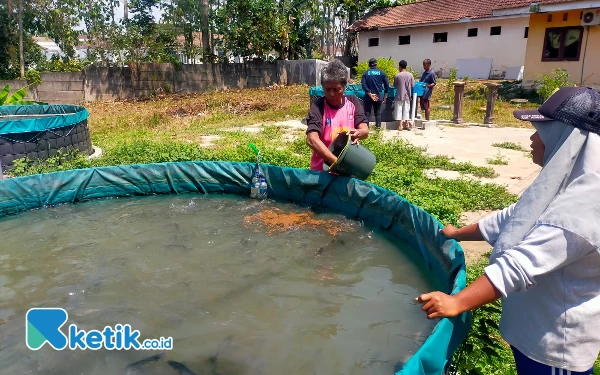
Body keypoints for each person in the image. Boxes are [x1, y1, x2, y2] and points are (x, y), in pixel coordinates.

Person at [417, 86, 600, 375]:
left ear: (563, 138)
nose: (531, 138)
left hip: (553, 350)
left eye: (540, 130)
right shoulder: (559, 185)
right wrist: (456, 233)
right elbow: (511, 218)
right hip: (532, 333)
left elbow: (521, 264)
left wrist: (456, 302)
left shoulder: (585, 204)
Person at [305, 60, 369, 172]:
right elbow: (312, 139)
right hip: (321, 172)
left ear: (345, 87)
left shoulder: (353, 102)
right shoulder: (319, 106)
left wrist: (359, 133)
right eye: (327, 89)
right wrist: (336, 163)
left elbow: (365, 131)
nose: (331, 94)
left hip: (346, 169)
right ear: (322, 87)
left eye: (336, 89)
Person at [361, 58, 389, 129]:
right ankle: (378, 129)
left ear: (369, 65)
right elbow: (387, 85)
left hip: (368, 96)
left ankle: (366, 129)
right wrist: (385, 96)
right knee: (377, 113)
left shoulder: (366, 73)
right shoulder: (382, 73)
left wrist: (370, 93)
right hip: (378, 96)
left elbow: (363, 85)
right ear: (376, 64)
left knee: (367, 113)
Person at [393, 60, 415, 131]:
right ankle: (407, 124)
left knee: (399, 110)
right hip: (408, 95)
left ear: (400, 66)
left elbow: (395, 86)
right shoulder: (410, 75)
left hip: (399, 95)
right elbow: (412, 85)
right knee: (406, 110)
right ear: (406, 66)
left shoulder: (397, 75)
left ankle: (400, 126)